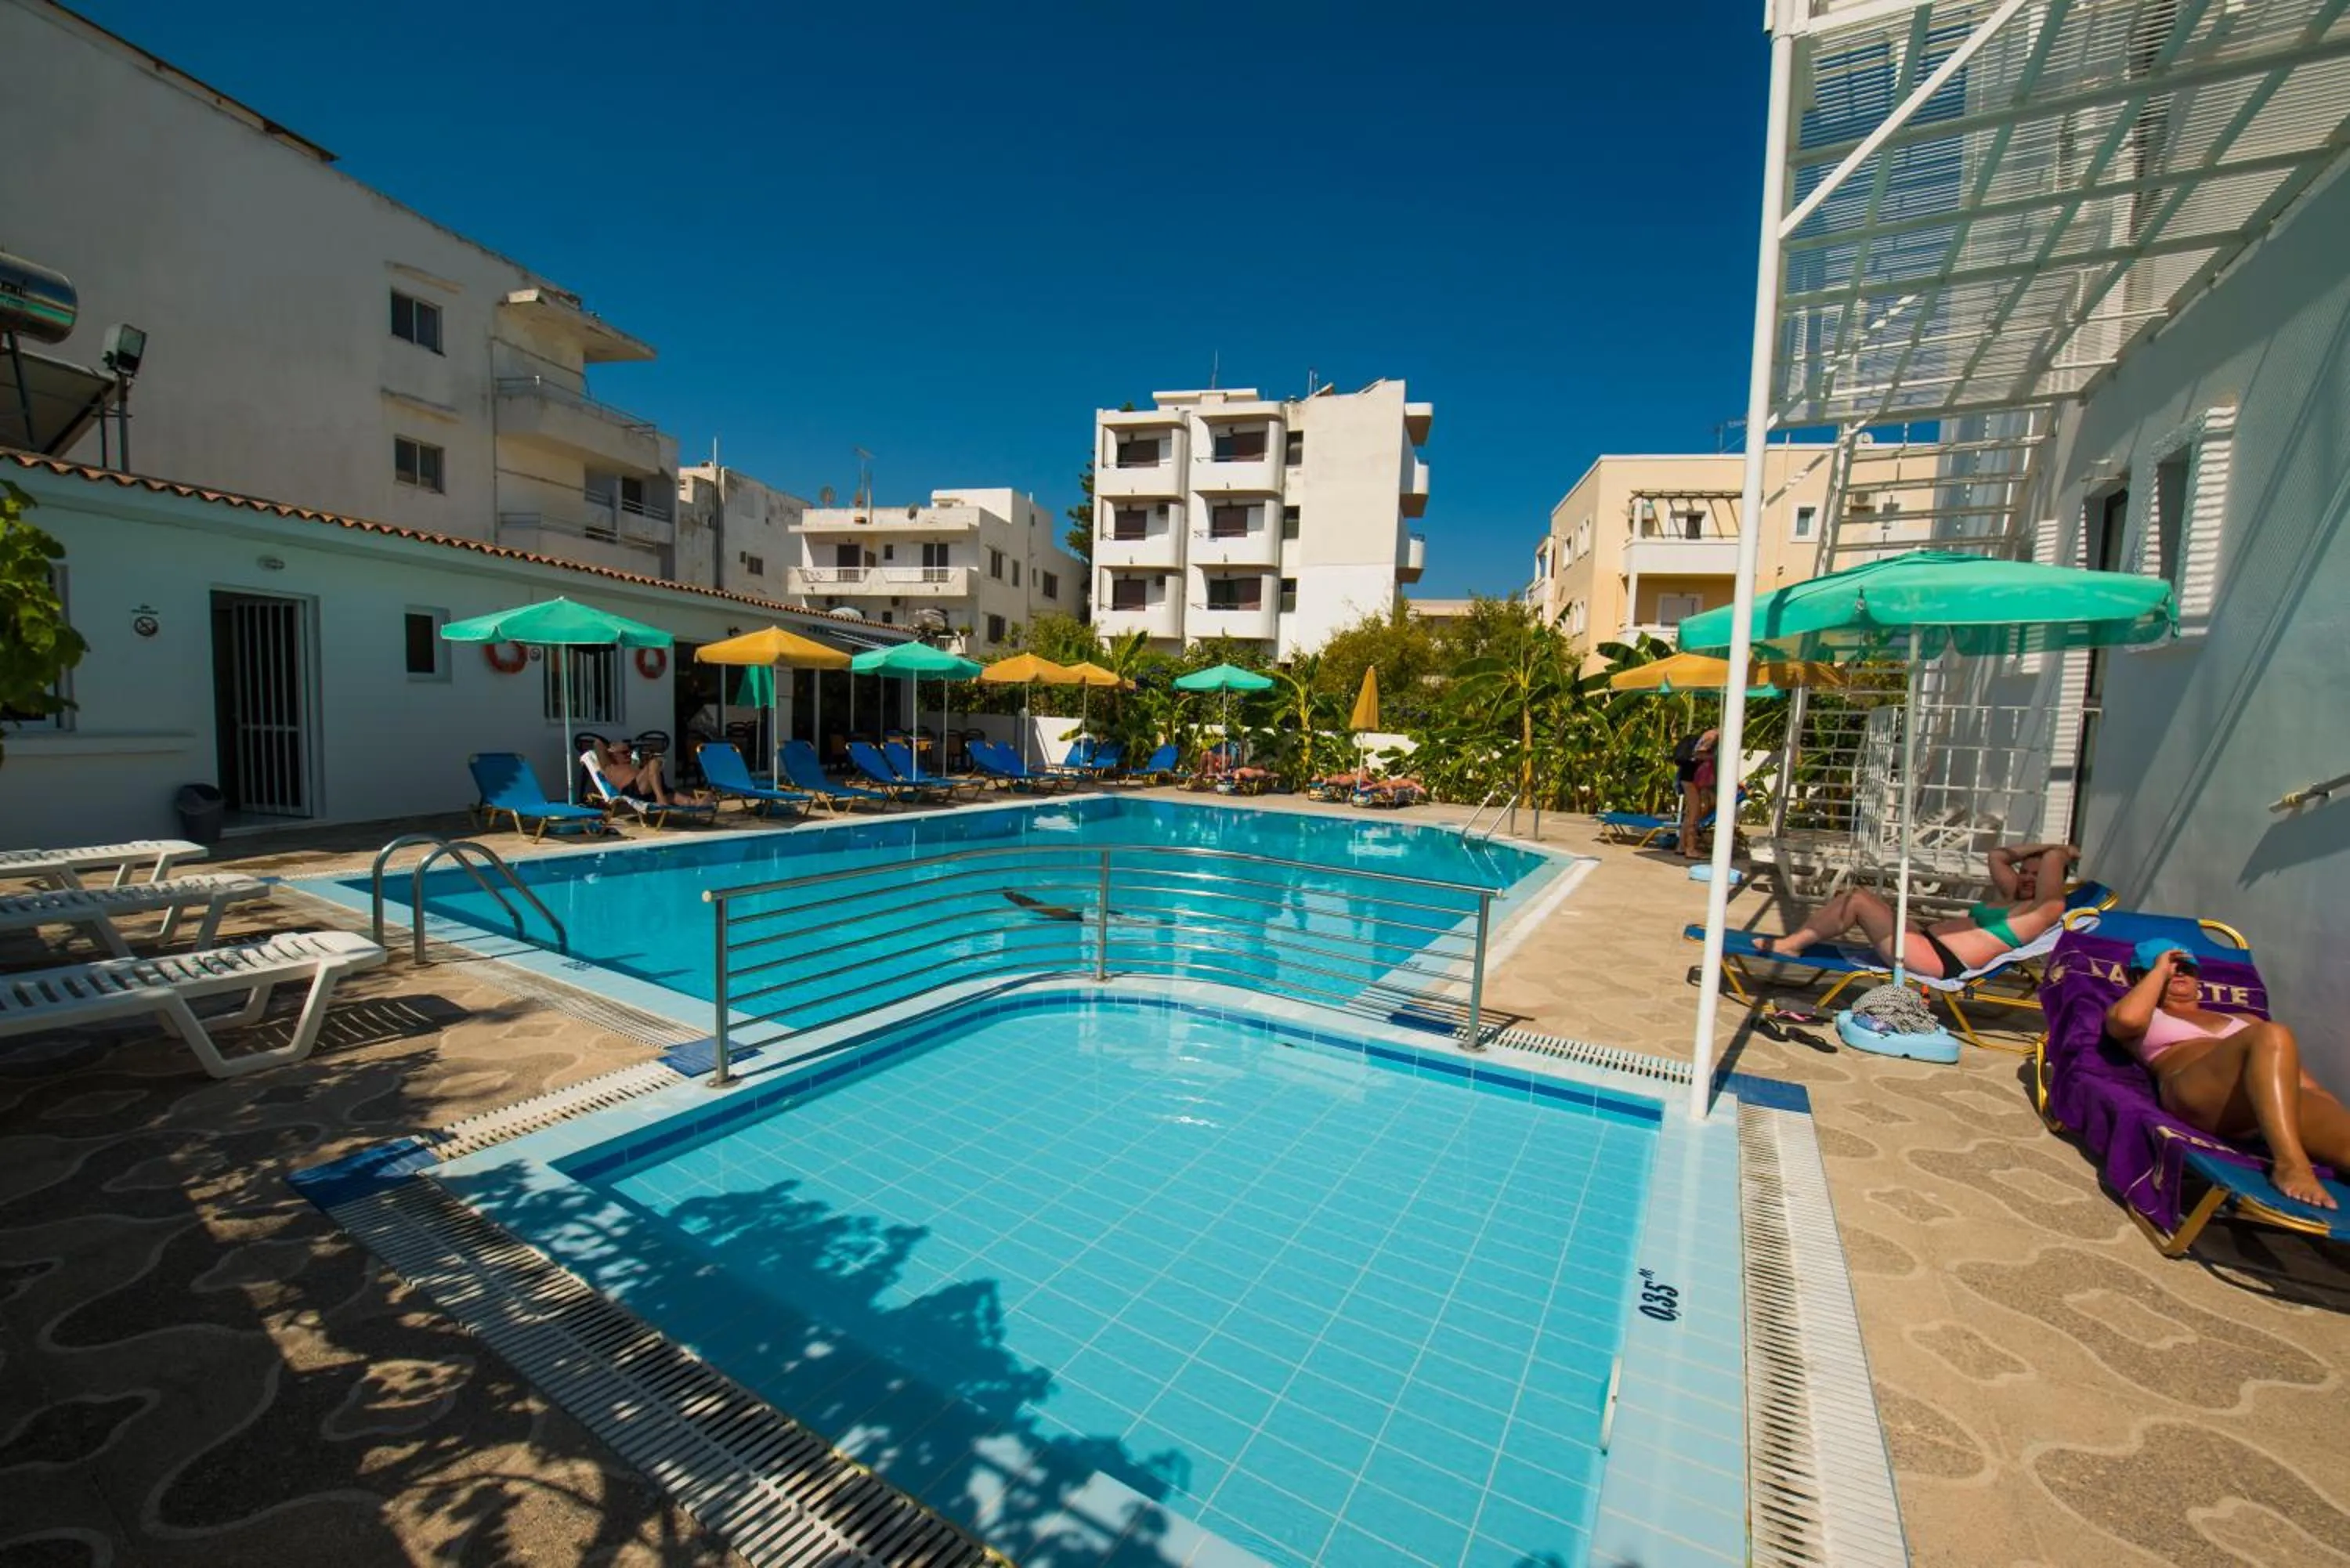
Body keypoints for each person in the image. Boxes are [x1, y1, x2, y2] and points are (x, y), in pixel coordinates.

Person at [2105, 939, 2347, 1209]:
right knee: (2273, 1033)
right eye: (2168, 965)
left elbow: (2310, 1089)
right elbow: (2126, 1021)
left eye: (2186, 967)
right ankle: (2291, 1164)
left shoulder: (2247, 1020)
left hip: (2261, 1108)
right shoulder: (2146, 1016)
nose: (2179, 972)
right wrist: (2159, 972)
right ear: (2141, 976)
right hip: (2195, 1092)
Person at [1755, 841, 2078, 977]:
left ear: (2053, 882)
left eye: (2038, 876)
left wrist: (2061, 852)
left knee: (1857, 900)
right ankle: (1797, 940)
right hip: (1926, 941)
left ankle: (1792, 944)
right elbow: (1998, 855)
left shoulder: (2041, 911)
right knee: (1861, 895)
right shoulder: (2014, 898)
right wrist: (2040, 849)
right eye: (2025, 871)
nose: (2026, 878)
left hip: (1938, 960)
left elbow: (2053, 862)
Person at [586, 738, 700, 807]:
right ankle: (661, 799)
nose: (629, 754)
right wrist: (612, 747)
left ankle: (697, 803)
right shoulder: (609, 767)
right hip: (635, 789)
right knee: (654, 762)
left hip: (648, 787)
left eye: (629, 752)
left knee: (674, 796)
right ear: (612, 755)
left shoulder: (632, 765)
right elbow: (598, 743)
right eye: (624, 752)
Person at [1673, 728, 1718, 861]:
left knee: (1690, 814)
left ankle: (1681, 846)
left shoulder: (1709, 735)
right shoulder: (1713, 736)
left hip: (1688, 777)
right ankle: (1690, 849)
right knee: (1694, 814)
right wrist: (1713, 757)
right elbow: (1698, 754)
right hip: (1690, 779)